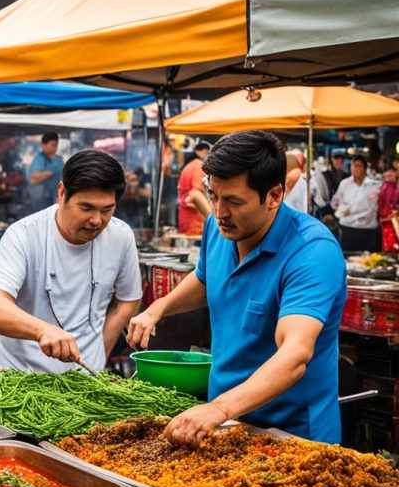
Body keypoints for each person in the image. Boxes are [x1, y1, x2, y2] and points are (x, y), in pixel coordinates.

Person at [128, 130, 347, 445]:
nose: (219, 212)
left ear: (274, 196)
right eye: (213, 195)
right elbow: (206, 278)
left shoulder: (312, 251)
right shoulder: (218, 229)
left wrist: (217, 408)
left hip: (293, 437)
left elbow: (295, 354)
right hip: (225, 425)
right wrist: (158, 309)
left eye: (233, 200)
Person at [0, 150, 141, 373]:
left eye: (107, 210)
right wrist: (41, 330)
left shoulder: (121, 236)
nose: (96, 220)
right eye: (86, 208)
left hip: (84, 380)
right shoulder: (23, 234)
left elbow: (127, 300)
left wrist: (99, 353)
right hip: (18, 378)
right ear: (62, 192)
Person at [331, 155, 381, 252]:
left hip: (368, 231)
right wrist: (341, 211)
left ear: (365, 169)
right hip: (347, 230)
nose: (356, 169)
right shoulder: (344, 184)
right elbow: (335, 202)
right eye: (354, 166)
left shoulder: (375, 185)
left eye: (359, 166)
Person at [177, 141, 211, 235]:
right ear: (197, 152)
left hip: (185, 217)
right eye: (205, 152)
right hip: (194, 220)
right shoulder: (198, 166)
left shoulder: (189, 165)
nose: (207, 155)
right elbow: (196, 192)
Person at [26, 132, 64, 212]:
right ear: (43, 145)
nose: (54, 147)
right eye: (52, 145)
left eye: (55, 145)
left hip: (56, 197)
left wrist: (43, 174)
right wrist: (49, 173)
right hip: (41, 199)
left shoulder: (59, 160)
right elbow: (33, 179)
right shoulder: (39, 158)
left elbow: (36, 177)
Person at [379, 168, 399, 252]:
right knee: (389, 246)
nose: (389, 178)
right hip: (386, 222)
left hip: (394, 220)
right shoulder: (382, 187)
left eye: (390, 175)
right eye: (386, 176)